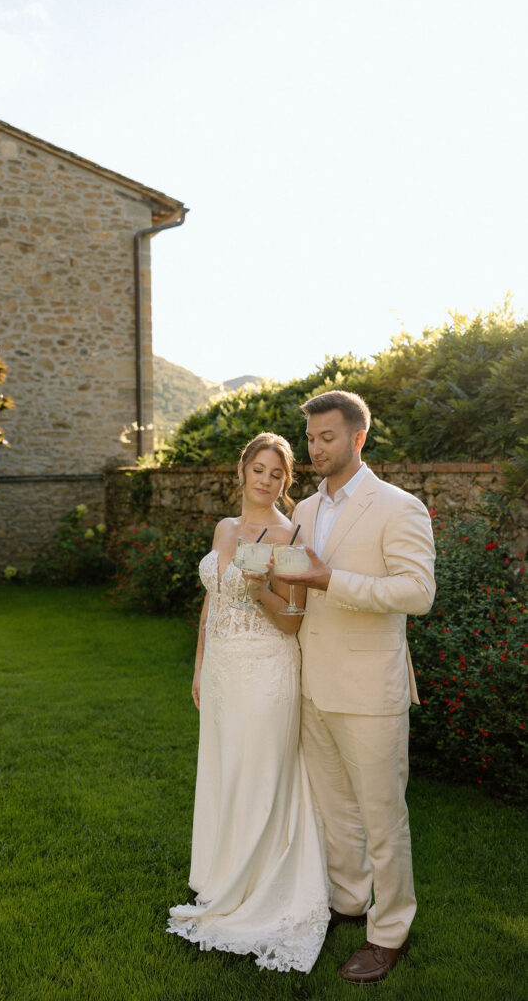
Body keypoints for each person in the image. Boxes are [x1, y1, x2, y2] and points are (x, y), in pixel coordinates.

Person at [275, 390, 435, 985]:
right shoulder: (306, 512)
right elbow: (297, 590)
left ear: (358, 439)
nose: (316, 449)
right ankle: (348, 902)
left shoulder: (398, 507)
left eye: (328, 438)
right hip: (313, 685)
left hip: (370, 690)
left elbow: (417, 593)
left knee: (383, 819)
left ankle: (389, 931)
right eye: (311, 439)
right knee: (336, 810)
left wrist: (330, 579)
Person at [167, 432, 331, 973]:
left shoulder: (290, 537)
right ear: (241, 471)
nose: (265, 480)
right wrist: (199, 666)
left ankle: (259, 886)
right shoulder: (224, 528)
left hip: (266, 673)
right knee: (226, 770)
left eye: (276, 474)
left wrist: (261, 586)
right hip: (221, 674)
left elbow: (291, 623)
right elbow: (213, 602)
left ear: (287, 482)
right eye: (258, 470)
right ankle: (220, 874)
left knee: (259, 773)